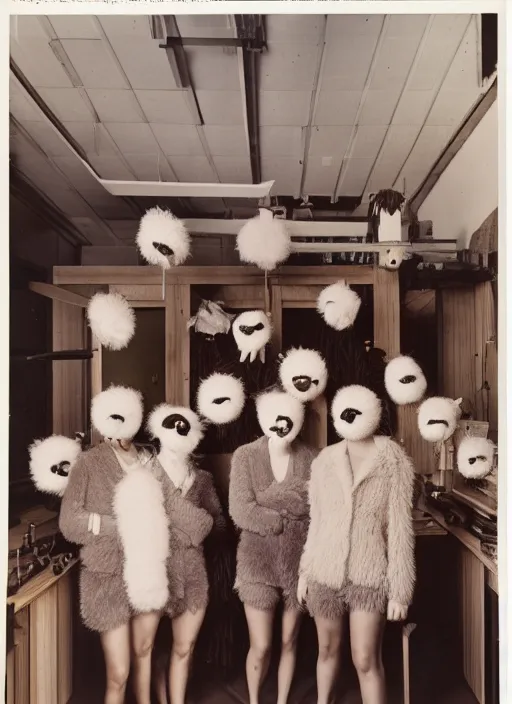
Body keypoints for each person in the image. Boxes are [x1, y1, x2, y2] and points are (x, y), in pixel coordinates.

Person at [298, 384, 416, 704]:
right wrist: (305, 573)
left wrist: (400, 590)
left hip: (370, 573)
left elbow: (400, 530)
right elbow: (317, 522)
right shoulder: (325, 460)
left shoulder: (393, 461)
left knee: (365, 659)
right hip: (326, 570)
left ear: (374, 412)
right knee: (326, 651)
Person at [59, 385, 169, 704]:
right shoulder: (89, 464)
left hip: (146, 572)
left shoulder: (150, 460)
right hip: (107, 578)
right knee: (118, 674)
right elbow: (69, 521)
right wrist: (116, 526)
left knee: (145, 653)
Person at [229, 389, 318, 704]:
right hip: (256, 561)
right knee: (262, 644)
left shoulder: (310, 457)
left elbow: (315, 509)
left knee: (289, 640)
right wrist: (283, 516)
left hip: (298, 563)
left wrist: (268, 501)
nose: (281, 425)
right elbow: (241, 511)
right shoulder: (245, 456)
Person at [147, 404, 225, 704]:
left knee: (185, 647)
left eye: (186, 426)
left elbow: (217, 525)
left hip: (194, 574)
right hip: (155, 570)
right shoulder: (146, 473)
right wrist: (189, 525)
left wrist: (193, 522)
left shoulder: (202, 479)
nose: (179, 430)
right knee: (148, 647)